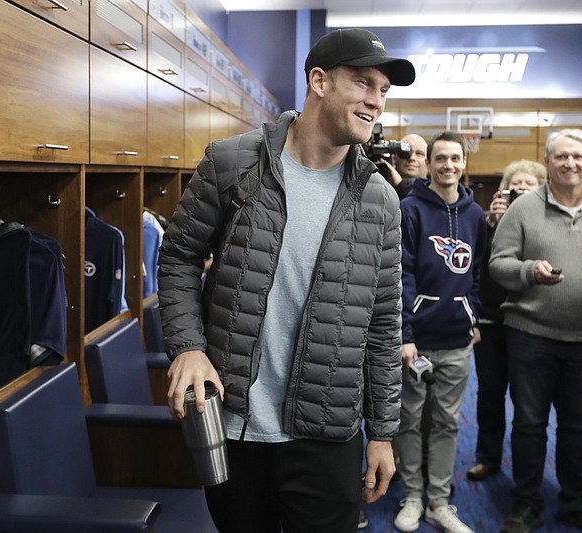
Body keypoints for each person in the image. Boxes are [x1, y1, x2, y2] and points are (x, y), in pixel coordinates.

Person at [156, 28, 415, 533]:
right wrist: (187, 345)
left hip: (328, 428)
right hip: (234, 424)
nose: (376, 102)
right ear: (319, 80)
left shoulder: (380, 199)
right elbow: (179, 256)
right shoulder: (231, 163)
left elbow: (384, 324)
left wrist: (383, 433)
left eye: (384, 91)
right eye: (364, 84)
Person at [490, 128, 582, 533]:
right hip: (529, 335)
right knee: (530, 424)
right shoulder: (522, 209)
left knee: (577, 426)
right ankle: (526, 504)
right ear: (548, 163)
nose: (570, 163)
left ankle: (576, 502)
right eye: (561, 157)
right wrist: (528, 271)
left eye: (578, 156)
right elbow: (498, 263)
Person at [393, 131, 487, 533]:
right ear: (428, 163)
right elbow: (402, 275)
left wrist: (474, 316)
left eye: (456, 158)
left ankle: (439, 502)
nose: (449, 165)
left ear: (464, 163)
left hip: (457, 342)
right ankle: (412, 496)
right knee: (409, 421)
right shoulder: (410, 209)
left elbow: (479, 272)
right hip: (417, 341)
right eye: (441, 159)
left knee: (448, 423)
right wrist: (405, 333)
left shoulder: (475, 215)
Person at [466, 159, 547, 483]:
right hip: (491, 318)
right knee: (490, 392)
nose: (521, 191)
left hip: (530, 319)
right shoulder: (488, 223)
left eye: (529, 186)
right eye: (516, 186)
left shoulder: (546, 222)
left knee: (528, 399)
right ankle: (488, 456)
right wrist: (495, 224)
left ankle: (527, 467)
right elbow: (477, 266)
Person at [385, 134, 429, 199]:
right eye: (405, 152)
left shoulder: (439, 189)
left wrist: (402, 186)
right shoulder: (382, 188)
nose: (411, 158)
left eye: (419, 153)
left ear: (428, 162)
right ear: (394, 158)